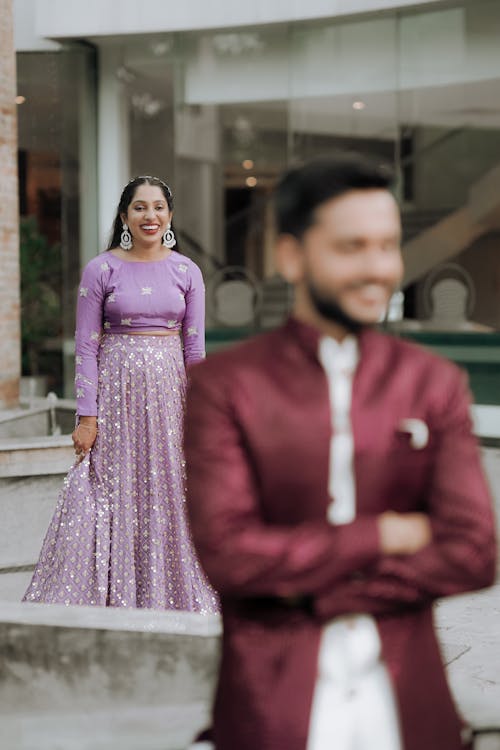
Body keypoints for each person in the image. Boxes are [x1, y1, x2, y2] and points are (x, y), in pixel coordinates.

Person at [184, 155, 497, 750]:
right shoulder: (225, 386)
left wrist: (313, 586)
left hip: (410, 718)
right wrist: (380, 536)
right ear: (292, 257)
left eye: (388, 246)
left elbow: (474, 553)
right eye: (352, 247)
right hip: (270, 713)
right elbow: (228, 555)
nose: (378, 268)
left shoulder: (434, 383)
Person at [24, 175, 218, 613]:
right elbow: (87, 344)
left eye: (158, 208)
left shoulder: (187, 271)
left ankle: (171, 594)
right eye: (140, 207)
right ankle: (115, 595)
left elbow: (194, 347)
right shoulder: (101, 269)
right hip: (115, 401)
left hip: (172, 400)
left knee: (171, 487)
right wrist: (87, 416)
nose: (150, 216)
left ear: (169, 215)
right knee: (114, 490)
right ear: (124, 215)